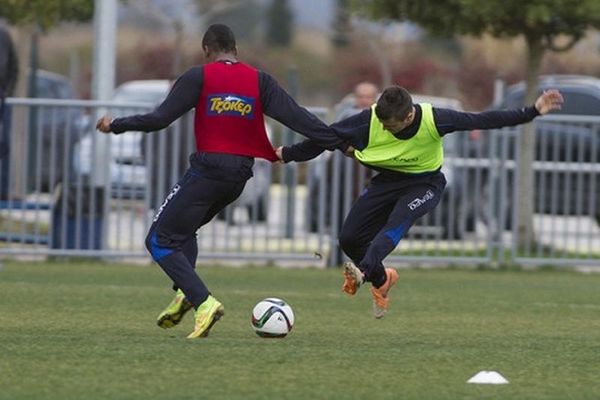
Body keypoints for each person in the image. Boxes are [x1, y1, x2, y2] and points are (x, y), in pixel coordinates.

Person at [96, 24, 346, 339]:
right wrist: (340, 141)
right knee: (185, 231)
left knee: (159, 241)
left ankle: (203, 301)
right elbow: (299, 118)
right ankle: (185, 294)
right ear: (236, 51)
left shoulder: (199, 76)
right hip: (240, 175)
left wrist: (115, 124)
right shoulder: (259, 80)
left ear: (206, 51)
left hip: (208, 169)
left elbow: (159, 119)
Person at [277, 85, 563, 318]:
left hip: (424, 184)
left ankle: (363, 273)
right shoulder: (370, 119)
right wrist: (286, 153)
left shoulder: (435, 119)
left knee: (395, 223)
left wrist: (532, 111)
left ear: (409, 117)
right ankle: (381, 279)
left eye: (391, 127)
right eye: (382, 124)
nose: (385, 129)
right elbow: (324, 137)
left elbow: (483, 120)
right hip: (386, 182)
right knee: (350, 239)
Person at [0, 24, 18, 199]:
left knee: (4, 144)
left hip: (2, 98)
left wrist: (7, 92)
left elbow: (13, 67)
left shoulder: (3, 34)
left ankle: (4, 190)